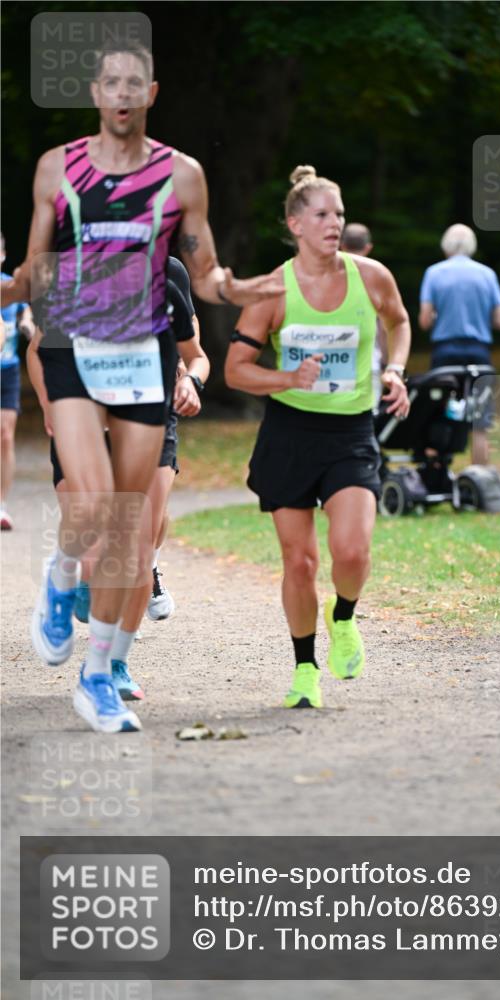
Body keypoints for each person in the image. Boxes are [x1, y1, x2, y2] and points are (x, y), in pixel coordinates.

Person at [1, 37, 280, 734]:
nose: (123, 93)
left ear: (151, 95)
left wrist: (251, 286)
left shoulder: (181, 176)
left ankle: (97, 676)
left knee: (128, 527)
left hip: (137, 352)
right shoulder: (55, 169)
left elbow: (208, 270)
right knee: (94, 506)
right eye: (111, 83)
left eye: (136, 83)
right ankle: (62, 574)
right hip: (69, 341)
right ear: (96, 94)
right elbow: (34, 268)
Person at [225, 165, 410, 709]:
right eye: (323, 215)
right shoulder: (271, 291)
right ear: (295, 224)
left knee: (351, 551)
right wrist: (286, 377)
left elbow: (399, 323)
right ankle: (304, 668)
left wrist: (394, 371)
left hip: (350, 431)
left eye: (341, 214)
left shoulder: (371, 277)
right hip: (289, 432)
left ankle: (344, 616)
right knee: (300, 562)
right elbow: (236, 369)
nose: (335, 224)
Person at [27, 256, 209, 701]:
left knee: (136, 544)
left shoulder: (168, 273)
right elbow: (37, 350)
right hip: (84, 420)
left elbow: (196, 355)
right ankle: (68, 576)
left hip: (149, 420)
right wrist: (51, 406)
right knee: (94, 559)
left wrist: (191, 383)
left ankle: (111, 667)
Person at [418, 223, 500, 465]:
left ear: (446, 245)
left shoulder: (434, 273)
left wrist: (438, 317)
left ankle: (436, 472)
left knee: (438, 413)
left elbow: (425, 321)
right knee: (479, 423)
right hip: (479, 353)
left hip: (445, 353)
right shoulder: (487, 274)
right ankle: (480, 476)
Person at [1, 233, 35, 530]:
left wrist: (27, 325)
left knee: (6, 436)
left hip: (8, 371)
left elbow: (26, 312)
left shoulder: (10, 288)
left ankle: (2, 505)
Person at [340, 223, 387, 409]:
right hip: (369, 363)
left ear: (341, 245)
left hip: (333, 362)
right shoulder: (377, 278)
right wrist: (386, 361)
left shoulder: (325, 275)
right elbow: (384, 326)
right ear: (368, 248)